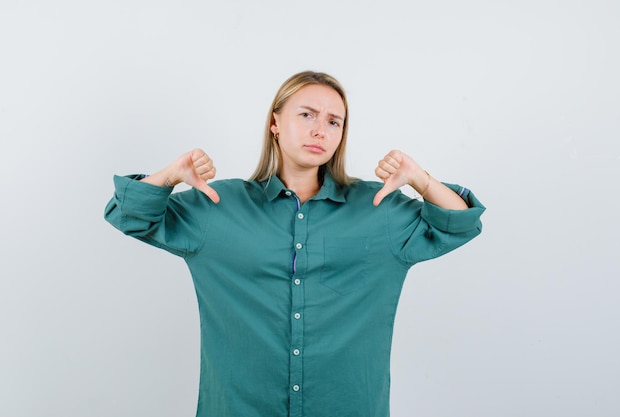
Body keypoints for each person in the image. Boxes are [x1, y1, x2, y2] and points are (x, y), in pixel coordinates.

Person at [104, 70, 485, 417]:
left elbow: (459, 223)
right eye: (307, 115)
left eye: (334, 121)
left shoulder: (378, 209)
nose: (321, 129)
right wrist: (170, 176)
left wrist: (420, 179)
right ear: (275, 123)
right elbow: (129, 214)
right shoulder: (218, 207)